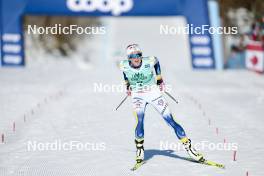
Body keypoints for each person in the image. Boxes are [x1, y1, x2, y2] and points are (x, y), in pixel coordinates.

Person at [119, 44, 204, 165]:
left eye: (138, 55)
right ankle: (140, 149)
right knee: (140, 121)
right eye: (133, 56)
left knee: (171, 121)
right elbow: (125, 73)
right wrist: (127, 85)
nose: (136, 58)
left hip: (153, 93)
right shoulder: (123, 65)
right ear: (129, 58)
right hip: (137, 95)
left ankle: (190, 149)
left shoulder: (149, 61)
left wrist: (159, 78)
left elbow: (156, 61)